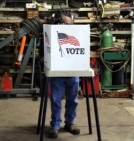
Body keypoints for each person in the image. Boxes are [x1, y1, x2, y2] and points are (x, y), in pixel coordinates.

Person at [47, 10, 80, 139]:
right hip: (57, 72)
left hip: (73, 71)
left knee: (73, 99)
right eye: (67, 24)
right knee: (56, 100)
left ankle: (70, 123)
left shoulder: (76, 34)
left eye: (71, 24)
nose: (69, 27)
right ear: (59, 22)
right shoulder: (51, 34)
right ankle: (55, 125)